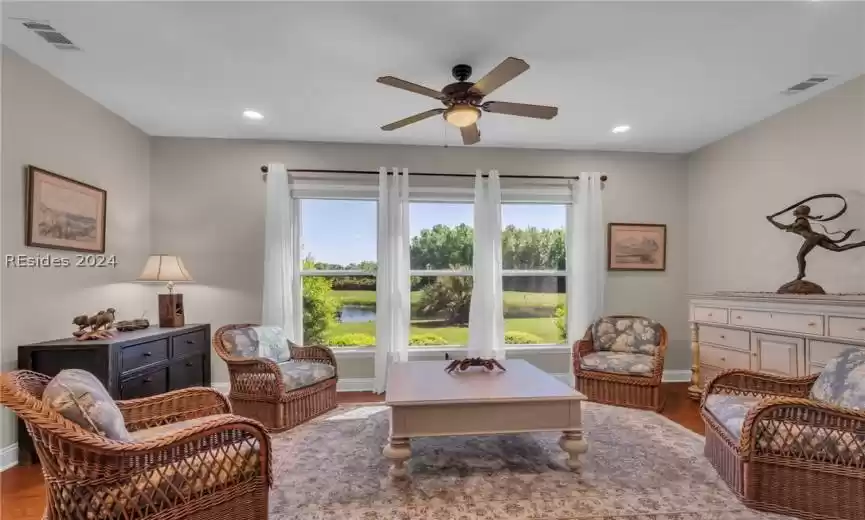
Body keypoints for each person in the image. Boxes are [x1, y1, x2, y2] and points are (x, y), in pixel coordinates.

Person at [767, 204, 865, 280]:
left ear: (799, 212)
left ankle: (801, 273)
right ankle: (861, 243)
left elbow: (783, 227)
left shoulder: (800, 221)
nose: (794, 210)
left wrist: (771, 221)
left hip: (812, 238)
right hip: (816, 237)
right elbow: (805, 219)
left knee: (800, 256)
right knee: (837, 249)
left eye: (797, 209)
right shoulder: (802, 219)